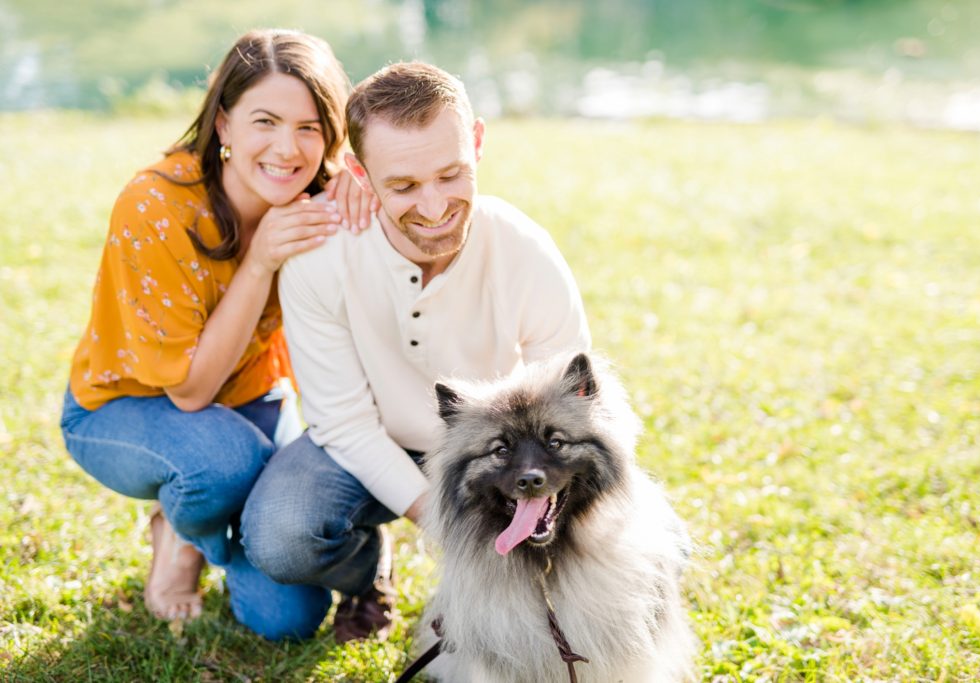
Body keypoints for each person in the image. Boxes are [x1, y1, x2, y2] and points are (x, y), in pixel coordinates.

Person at [240, 61, 591, 642]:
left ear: (477, 142)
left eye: (451, 175)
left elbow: (571, 416)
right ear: (359, 172)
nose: (432, 207)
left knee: (663, 551)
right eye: (403, 187)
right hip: (370, 440)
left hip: (502, 453)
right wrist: (452, 523)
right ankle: (367, 571)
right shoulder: (318, 259)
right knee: (282, 537)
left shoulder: (526, 250)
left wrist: (530, 508)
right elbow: (343, 423)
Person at [60, 29, 377, 640]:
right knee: (226, 462)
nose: (287, 148)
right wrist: (260, 262)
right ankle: (182, 532)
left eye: (309, 128)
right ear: (224, 123)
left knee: (287, 617)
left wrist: (364, 185)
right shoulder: (155, 205)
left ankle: (213, 512)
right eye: (266, 121)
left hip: (253, 396)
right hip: (128, 405)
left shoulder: (320, 198)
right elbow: (190, 393)